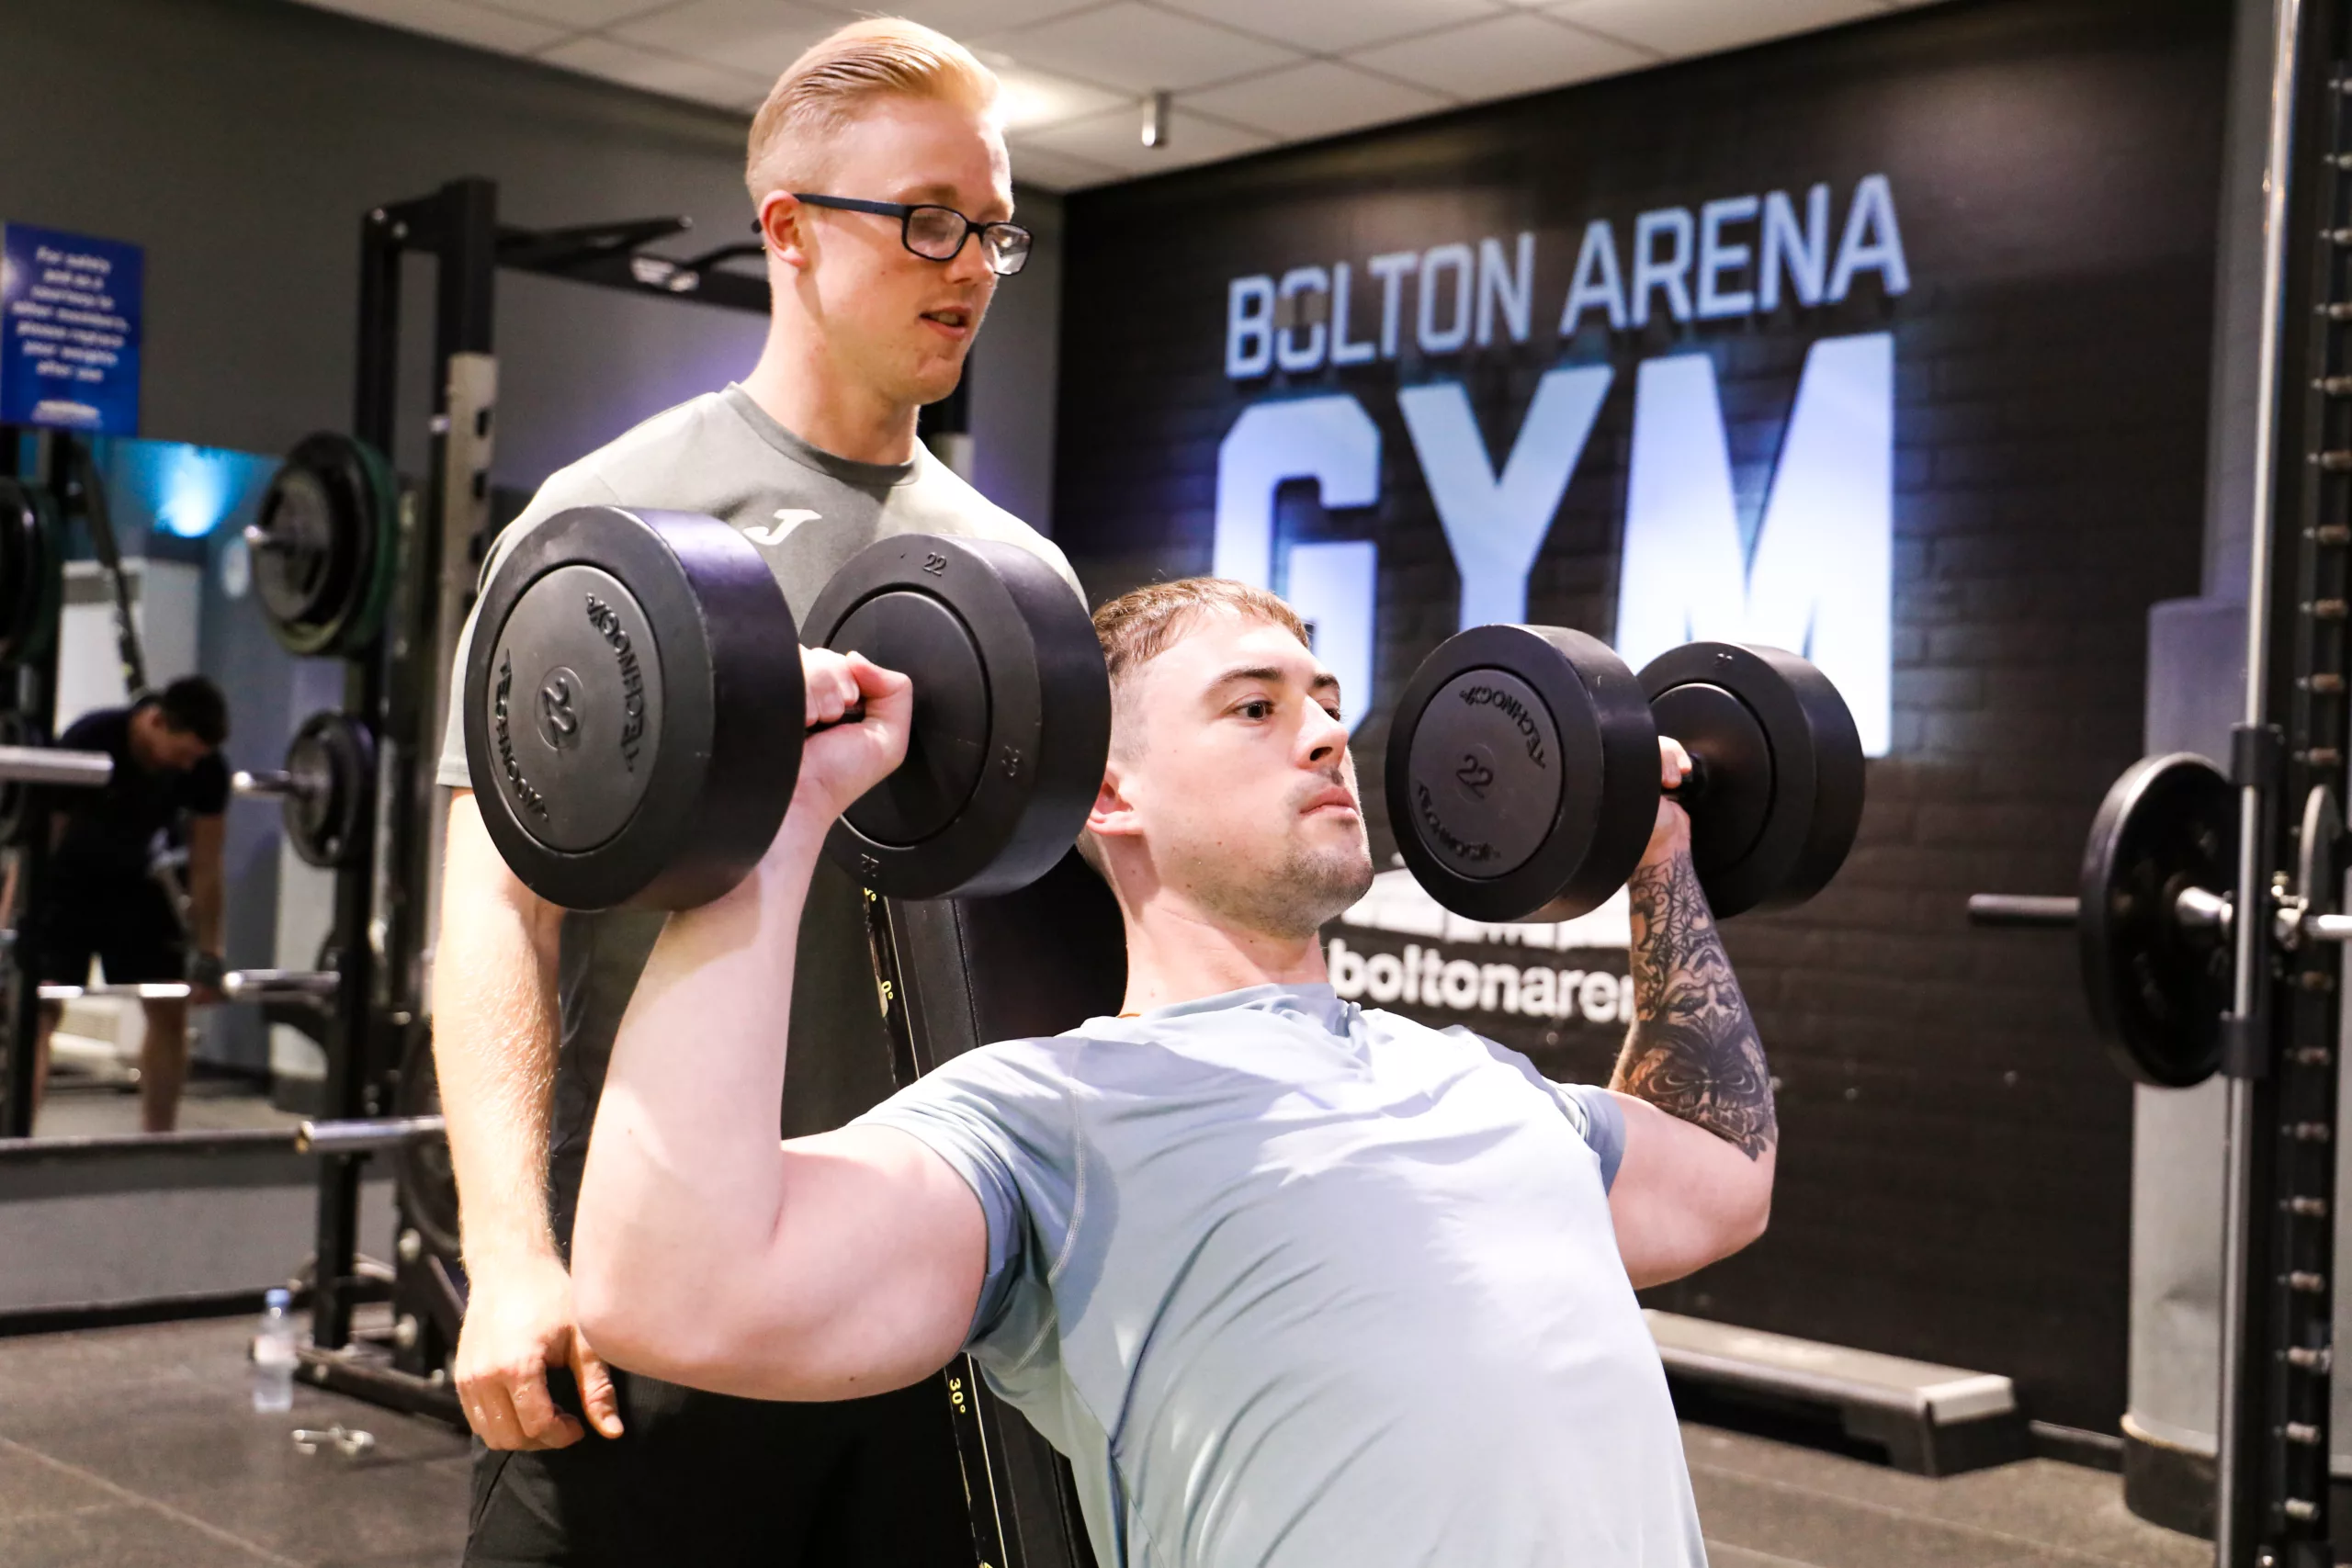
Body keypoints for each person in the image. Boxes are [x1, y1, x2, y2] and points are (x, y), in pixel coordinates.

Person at [572, 579, 1779, 1568]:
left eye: (1325, 701)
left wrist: (1658, 845)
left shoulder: (1479, 1078)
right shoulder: (1053, 1116)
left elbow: (1720, 1169)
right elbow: (680, 1289)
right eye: (1252, 708)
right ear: (1110, 789)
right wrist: (779, 824)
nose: (1323, 734)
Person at [428, 17, 1078, 1566]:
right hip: (638, 1303)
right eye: (927, 218)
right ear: (788, 228)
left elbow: (1050, 967)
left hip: (918, 1302)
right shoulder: (602, 526)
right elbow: (492, 916)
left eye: (992, 227)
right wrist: (511, 1254)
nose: (971, 264)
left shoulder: (1017, 575)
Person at [12, 676, 231, 1133]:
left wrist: (210, 951)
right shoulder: (91, 738)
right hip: (67, 883)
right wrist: (8, 924)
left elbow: (208, 865)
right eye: (185, 753)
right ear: (155, 722)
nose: (190, 767)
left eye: (198, 758)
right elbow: (39, 838)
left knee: (170, 1006)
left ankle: (158, 1143)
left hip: (140, 886)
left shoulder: (207, 770)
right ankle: (16, 1143)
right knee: (39, 1010)